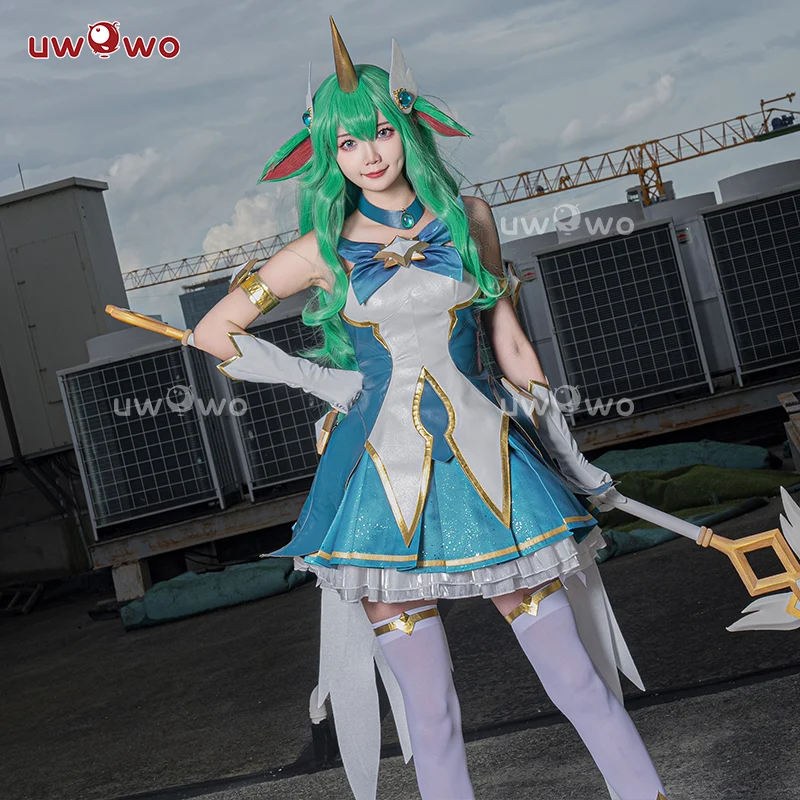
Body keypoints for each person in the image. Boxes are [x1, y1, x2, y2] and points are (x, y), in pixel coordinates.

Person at [191, 17, 669, 800]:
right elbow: (214, 332)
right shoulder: (318, 250)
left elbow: (509, 339)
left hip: (494, 471)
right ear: (326, 154)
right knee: (430, 710)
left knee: (578, 680)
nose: (369, 154)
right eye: (347, 142)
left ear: (407, 128)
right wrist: (323, 384)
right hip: (383, 488)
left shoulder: (470, 217)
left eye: (380, 131)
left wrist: (567, 449)